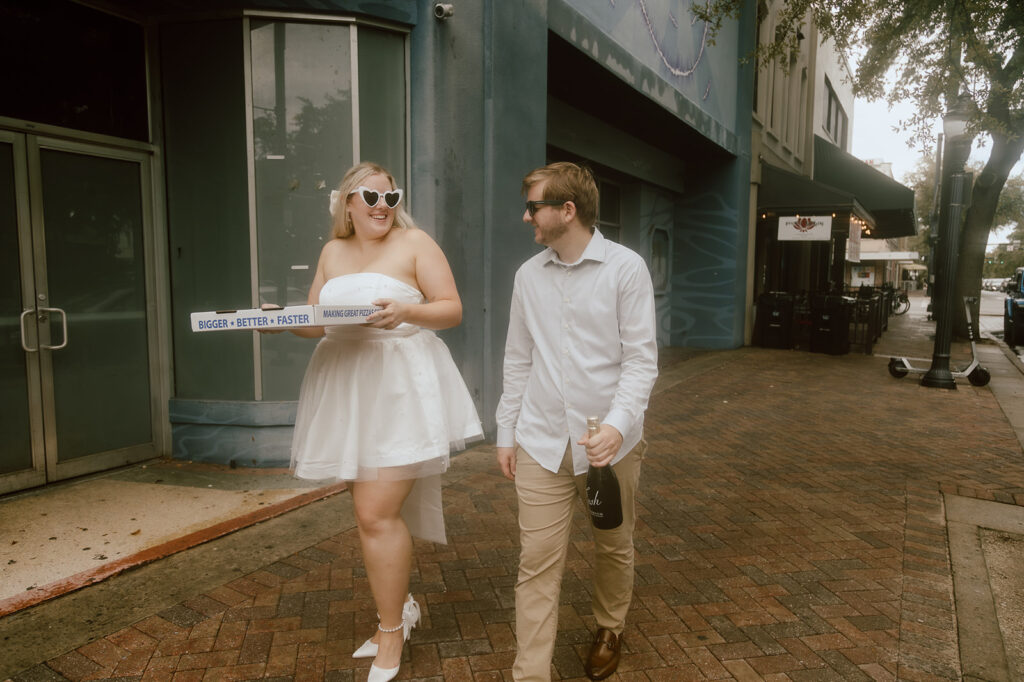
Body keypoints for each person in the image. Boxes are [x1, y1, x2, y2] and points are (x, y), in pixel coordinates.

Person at [276, 161, 482, 682]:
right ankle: (398, 611)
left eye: (390, 199)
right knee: (370, 514)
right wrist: (278, 323)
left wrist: (406, 313)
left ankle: (391, 631)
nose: (381, 207)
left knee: (375, 514)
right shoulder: (332, 252)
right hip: (349, 388)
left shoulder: (415, 243)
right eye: (370, 197)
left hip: (400, 387)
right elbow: (317, 323)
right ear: (346, 203)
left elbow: (452, 308)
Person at [495, 162, 658, 681]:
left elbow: (640, 360)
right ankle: (531, 673)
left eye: (534, 207)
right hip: (541, 441)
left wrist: (617, 424)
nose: (527, 218)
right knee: (537, 561)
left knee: (613, 543)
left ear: (568, 210)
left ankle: (610, 626)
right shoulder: (527, 275)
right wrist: (505, 431)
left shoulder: (626, 269)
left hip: (609, 446)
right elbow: (518, 358)